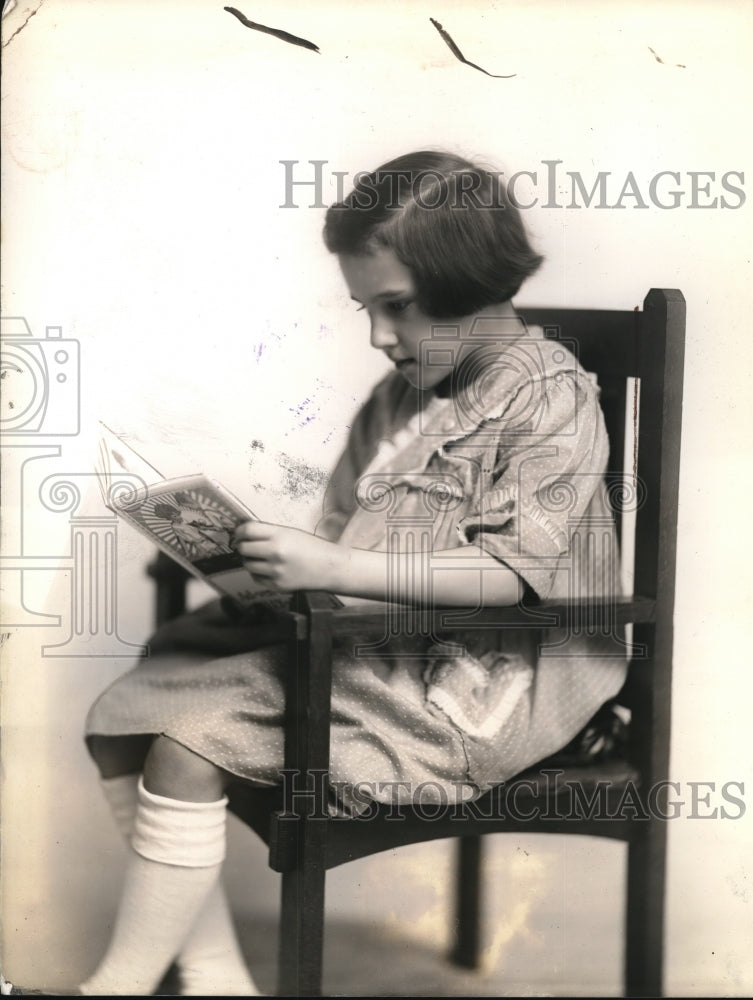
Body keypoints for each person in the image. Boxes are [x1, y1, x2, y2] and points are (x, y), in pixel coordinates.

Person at [79, 149, 627, 995]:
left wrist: (332, 565)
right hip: (386, 640)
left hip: (484, 680)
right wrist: (275, 574)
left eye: (397, 307)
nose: (379, 336)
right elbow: (344, 529)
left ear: (471, 280)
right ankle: (214, 973)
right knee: (146, 684)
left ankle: (122, 985)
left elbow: (512, 578)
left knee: (186, 741)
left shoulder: (549, 397)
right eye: (369, 309)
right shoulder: (406, 392)